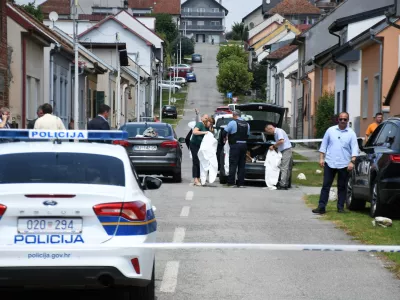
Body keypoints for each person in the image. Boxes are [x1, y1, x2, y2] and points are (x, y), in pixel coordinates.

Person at [312, 112, 359, 214]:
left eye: (345, 119)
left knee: (342, 187)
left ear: (348, 120)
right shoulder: (330, 130)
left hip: (344, 164)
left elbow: (355, 149)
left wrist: (352, 162)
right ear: (338, 119)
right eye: (341, 119)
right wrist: (321, 158)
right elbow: (324, 145)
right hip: (330, 162)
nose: (342, 121)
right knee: (326, 186)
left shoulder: (351, 133)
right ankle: (321, 207)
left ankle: (340, 207)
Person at [224, 110, 250, 188]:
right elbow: (248, 135)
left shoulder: (232, 122)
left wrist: (225, 139)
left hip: (235, 145)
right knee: (242, 165)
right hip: (244, 145)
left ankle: (231, 182)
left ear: (234, 115)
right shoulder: (247, 124)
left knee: (233, 164)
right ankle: (241, 183)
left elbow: (224, 132)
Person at [265, 124, 293, 190]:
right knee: (286, 167)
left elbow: (281, 141)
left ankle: (282, 184)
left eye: (268, 132)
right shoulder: (276, 132)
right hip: (284, 150)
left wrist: (274, 146)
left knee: (284, 167)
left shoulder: (278, 131)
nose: (269, 133)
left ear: (271, 128)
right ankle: (285, 183)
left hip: (286, 150)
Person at [190, 114, 210, 186]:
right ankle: (196, 179)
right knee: (196, 161)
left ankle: (201, 177)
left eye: (207, 118)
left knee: (202, 161)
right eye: (205, 118)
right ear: (201, 118)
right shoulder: (200, 124)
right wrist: (204, 132)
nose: (206, 119)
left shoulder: (207, 126)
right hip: (195, 145)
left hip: (202, 146)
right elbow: (194, 132)